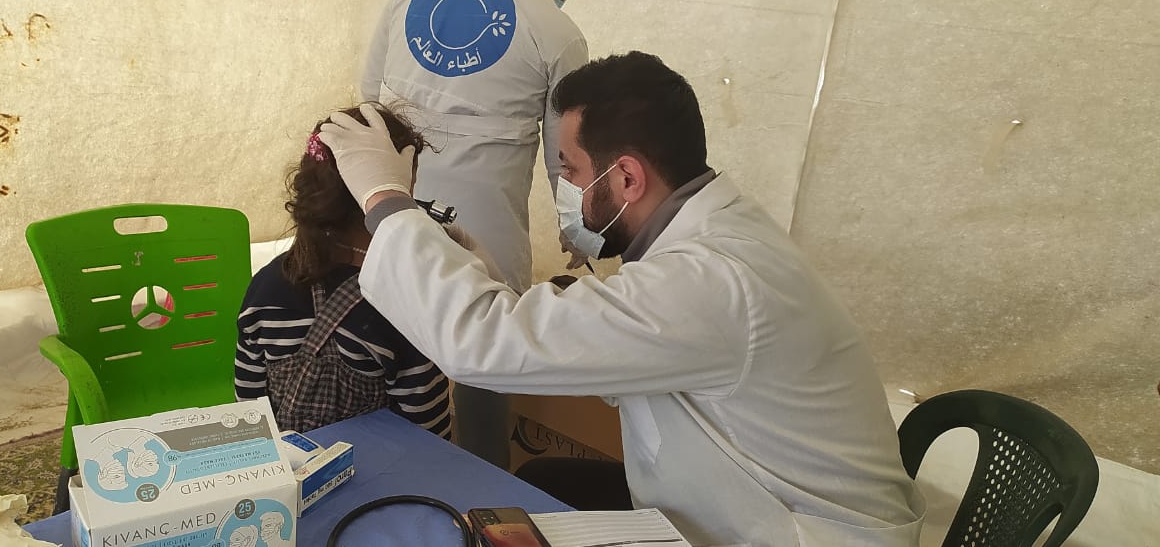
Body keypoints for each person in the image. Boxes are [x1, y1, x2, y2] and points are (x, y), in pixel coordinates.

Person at [318, 53, 926, 546]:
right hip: (739, 498)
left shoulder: (713, 279)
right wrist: (455, 256)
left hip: (792, 531)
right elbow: (586, 330)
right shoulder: (716, 234)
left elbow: (483, 344)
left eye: (570, 170)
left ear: (628, 178)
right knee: (544, 480)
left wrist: (385, 201)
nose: (565, 188)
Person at [360, 0, 597, 468]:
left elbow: (369, 104)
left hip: (399, 198)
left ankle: (388, 466)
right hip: (487, 217)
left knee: (389, 335)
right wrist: (578, 231)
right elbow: (567, 155)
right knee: (489, 352)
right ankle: (485, 481)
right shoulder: (557, 31)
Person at [233, 104, 451, 440]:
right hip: (382, 472)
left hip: (284, 468)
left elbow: (249, 413)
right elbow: (431, 436)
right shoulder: (402, 305)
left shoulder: (265, 287)